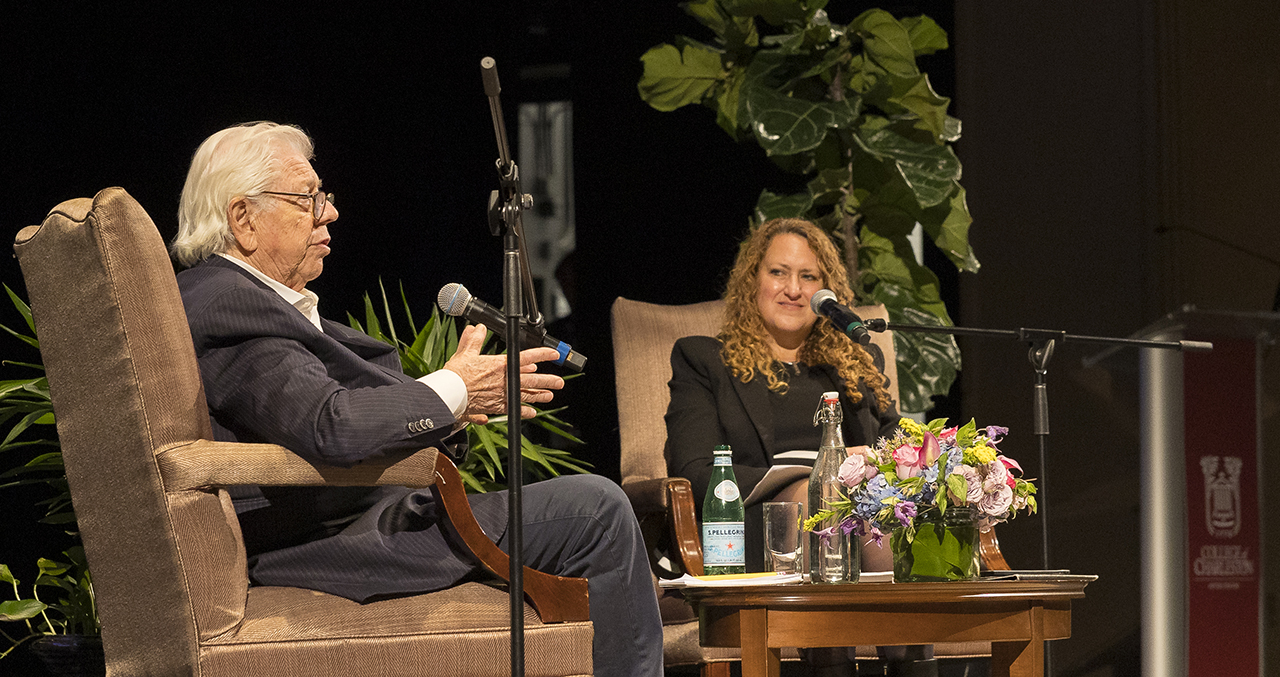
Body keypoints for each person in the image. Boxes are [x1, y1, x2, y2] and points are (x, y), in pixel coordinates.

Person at [169, 121, 662, 677]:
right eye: (308, 199)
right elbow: (333, 426)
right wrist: (453, 388)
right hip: (328, 538)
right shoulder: (229, 302)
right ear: (243, 219)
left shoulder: (245, 300)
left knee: (594, 512)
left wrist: (454, 409)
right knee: (597, 511)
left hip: (361, 510)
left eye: (323, 196)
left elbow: (322, 415)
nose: (329, 213)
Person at [664, 217, 936, 677]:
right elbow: (694, 467)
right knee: (823, 500)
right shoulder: (704, 359)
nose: (793, 289)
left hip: (858, 520)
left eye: (808, 277)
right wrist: (810, 475)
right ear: (753, 281)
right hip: (754, 530)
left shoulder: (855, 364)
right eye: (778, 272)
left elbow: (893, 443)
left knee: (892, 512)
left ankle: (912, 665)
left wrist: (891, 464)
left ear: (826, 292)